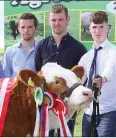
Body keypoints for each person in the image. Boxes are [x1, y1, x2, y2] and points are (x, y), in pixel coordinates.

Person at [34, 3, 87, 136]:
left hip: (69, 104)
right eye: (53, 20)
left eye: (60, 19)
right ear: (49, 21)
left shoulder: (79, 48)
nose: (56, 23)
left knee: (67, 133)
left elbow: (83, 78)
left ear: (67, 20)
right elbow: (37, 74)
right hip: (46, 105)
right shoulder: (41, 46)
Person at [78, 11, 116, 137]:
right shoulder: (86, 57)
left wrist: (103, 78)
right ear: (89, 29)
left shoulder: (115, 52)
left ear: (107, 28)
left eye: (101, 26)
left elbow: (111, 67)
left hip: (108, 112)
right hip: (88, 112)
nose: (97, 31)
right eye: (94, 27)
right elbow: (79, 80)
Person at [3, 13, 39, 77]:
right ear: (19, 29)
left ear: (35, 28)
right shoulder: (9, 51)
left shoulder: (42, 49)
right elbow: (6, 78)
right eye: (23, 27)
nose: (26, 30)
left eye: (30, 27)